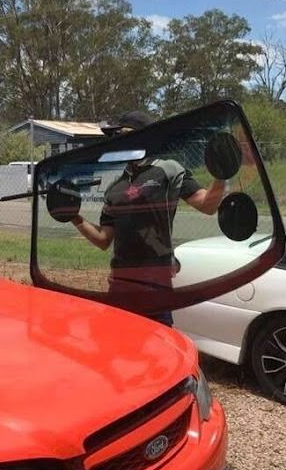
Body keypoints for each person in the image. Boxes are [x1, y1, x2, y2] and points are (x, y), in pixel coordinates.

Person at [70, 110, 228, 327]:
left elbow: (207, 205)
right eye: (115, 136)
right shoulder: (114, 188)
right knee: (117, 350)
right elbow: (103, 239)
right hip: (120, 283)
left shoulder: (168, 169)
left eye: (123, 134)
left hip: (156, 284)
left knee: (157, 350)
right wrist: (73, 216)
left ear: (144, 136)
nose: (118, 141)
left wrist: (221, 174)